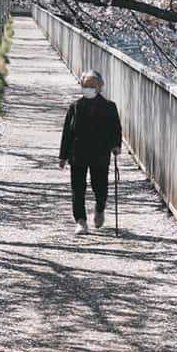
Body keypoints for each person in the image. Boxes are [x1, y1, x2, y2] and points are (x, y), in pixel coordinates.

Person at [59, 69, 121, 235]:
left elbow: (116, 130)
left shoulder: (109, 107)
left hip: (100, 153)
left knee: (100, 187)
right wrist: (63, 156)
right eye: (85, 85)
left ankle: (100, 208)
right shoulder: (76, 107)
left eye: (92, 85)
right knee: (77, 189)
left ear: (100, 86)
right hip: (78, 154)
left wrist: (116, 145)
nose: (88, 88)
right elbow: (67, 133)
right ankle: (81, 221)